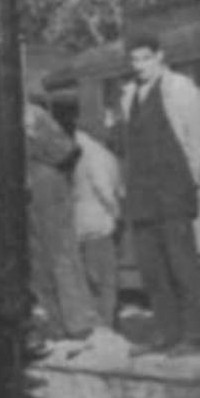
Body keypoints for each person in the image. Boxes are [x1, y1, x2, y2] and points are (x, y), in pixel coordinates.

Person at [112, 33, 200, 358]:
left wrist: (190, 182)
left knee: (182, 266)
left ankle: (194, 336)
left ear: (160, 57)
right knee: (153, 269)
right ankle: (167, 332)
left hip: (173, 193)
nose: (139, 65)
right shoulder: (130, 96)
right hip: (142, 197)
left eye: (145, 58)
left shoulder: (181, 90)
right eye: (135, 60)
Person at [24, 101, 104, 340]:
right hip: (38, 187)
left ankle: (75, 322)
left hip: (44, 186)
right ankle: (61, 322)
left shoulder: (32, 114)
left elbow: (67, 152)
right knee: (42, 257)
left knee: (56, 254)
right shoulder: (32, 113)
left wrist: (33, 140)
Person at [72, 126, 124, 328]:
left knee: (92, 277)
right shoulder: (99, 154)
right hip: (99, 220)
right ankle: (105, 323)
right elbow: (105, 189)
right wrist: (116, 213)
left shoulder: (85, 152)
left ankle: (98, 321)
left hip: (85, 219)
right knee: (105, 279)